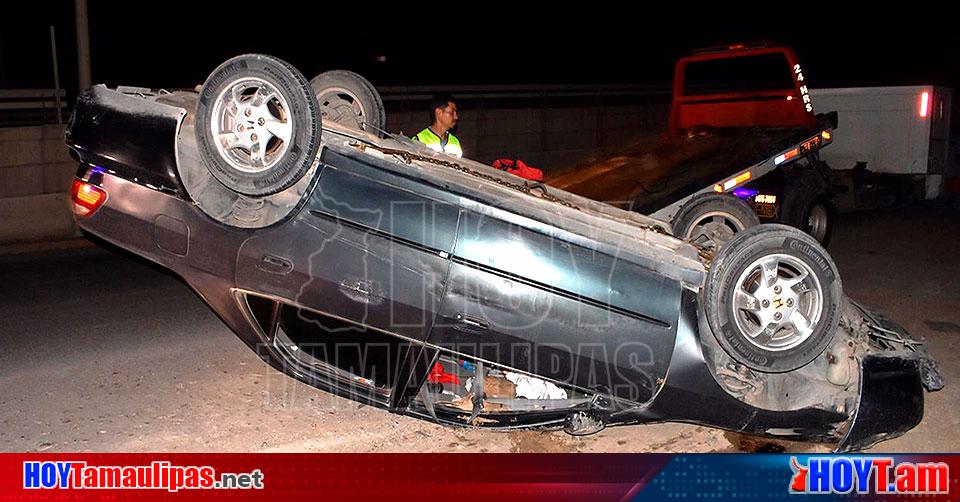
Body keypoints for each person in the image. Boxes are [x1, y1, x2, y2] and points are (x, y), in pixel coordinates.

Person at [413, 94, 462, 158]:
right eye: (451, 112)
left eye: (456, 113)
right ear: (438, 112)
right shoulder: (419, 140)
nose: (456, 117)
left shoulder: (455, 141)